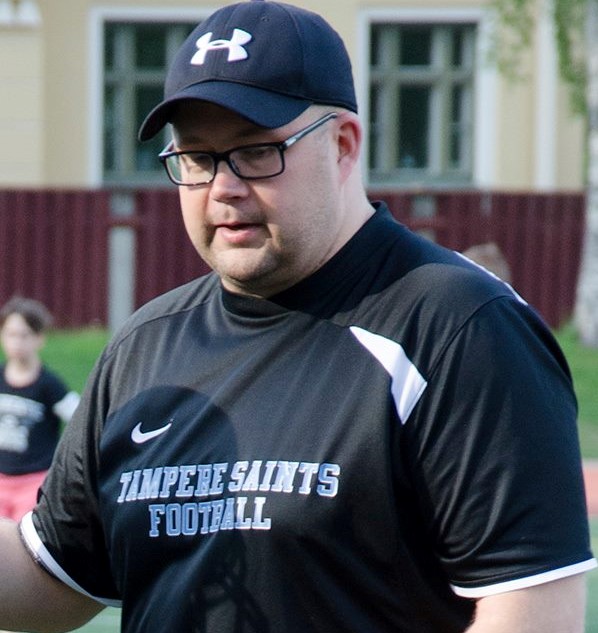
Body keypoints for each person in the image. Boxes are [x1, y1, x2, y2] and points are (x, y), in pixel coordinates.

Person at [0, 1, 595, 631]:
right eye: (196, 158)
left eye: (256, 151)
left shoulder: (459, 328)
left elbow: (533, 613)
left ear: (343, 145)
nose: (222, 187)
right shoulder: (145, 346)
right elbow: (53, 574)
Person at [0, 297, 80, 521]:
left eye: (24, 335)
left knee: (22, 534)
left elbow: (81, 420)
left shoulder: (49, 385)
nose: (17, 342)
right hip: (1, 479)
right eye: (11, 334)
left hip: (33, 481)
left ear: (39, 338)